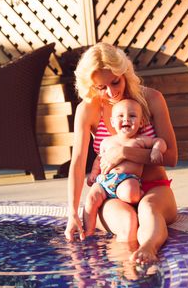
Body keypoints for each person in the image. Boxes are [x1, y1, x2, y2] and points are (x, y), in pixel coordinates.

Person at [65, 42, 178, 265]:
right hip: (113, 193)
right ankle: (128, 282)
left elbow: (171, 157)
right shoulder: (88, 109)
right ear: (91, 86)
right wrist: (72, 213)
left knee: (147, 209)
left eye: (115, 81)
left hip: (154, 188)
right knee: (127, 223)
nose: (111, 92)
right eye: (101, 87)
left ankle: (147, 249)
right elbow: (78, 162)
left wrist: (124, 153)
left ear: (124, 72)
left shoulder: (152, 99)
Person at [83, 98, 167, 237]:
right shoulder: (107, 141)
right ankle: (88, 232)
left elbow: (159, 141)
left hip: (127, 179)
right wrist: (93, 173)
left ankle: (138, 196)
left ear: (141, 123)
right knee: (91, 199)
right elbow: (99, 158)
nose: (126, 119)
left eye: (132, 116)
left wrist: (157, 150)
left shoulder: (139, 140)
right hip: (104, 180)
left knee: (130, 194)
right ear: (112, 122)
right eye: (120, 116)